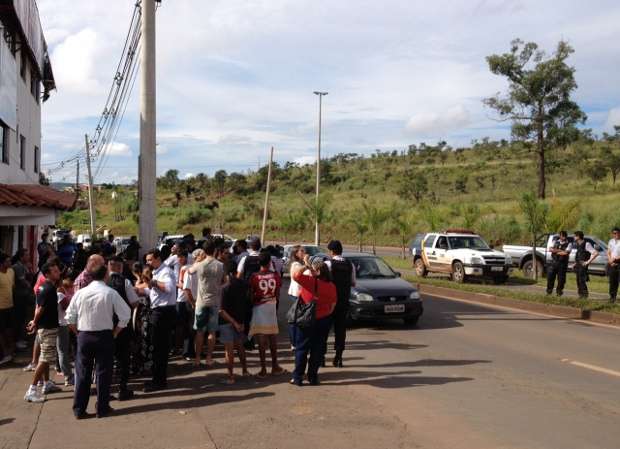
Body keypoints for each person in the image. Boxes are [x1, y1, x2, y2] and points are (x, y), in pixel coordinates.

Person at [65, 265, 131, 418]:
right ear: (106, 276)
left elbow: (69, 317)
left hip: (84, 335)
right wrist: (115, 332)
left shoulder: (81, 293)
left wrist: (78, 333)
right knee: (103, 373)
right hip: (104, 336)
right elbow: (125, 314)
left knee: (82, 374)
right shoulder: (110, 292)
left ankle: (79, 410)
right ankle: (102, 408)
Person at [291, 255, 337, 386]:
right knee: (317, 350)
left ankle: (298, 377)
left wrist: (306, 264)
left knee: (302, 348)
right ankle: (313, 377)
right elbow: (333, 306)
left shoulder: (310, 282)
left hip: (307, 320)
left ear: (316, 271)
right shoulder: (331, 286)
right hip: (323, 320)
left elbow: (295, 275)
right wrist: (324, 314)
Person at [136, 249, 176, 392]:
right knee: (157, 347)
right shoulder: (158, 271)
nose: (148, 262)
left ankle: (159, 381)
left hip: (163, 313)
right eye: (147, 260)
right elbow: (154, 291)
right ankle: (157, 378)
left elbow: (169, 288)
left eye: (150, 260)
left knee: (160, 348)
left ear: (158, 258)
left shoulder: (165, 272)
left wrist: (152, 282)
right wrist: (141, 291)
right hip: (158, 311)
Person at [24, 262, 62, 403]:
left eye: (57, 270)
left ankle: (47, 383)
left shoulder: (42, 287)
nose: (58, 272)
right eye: (55, 271)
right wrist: (34, 322)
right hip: (48, 328)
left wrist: (35, 322)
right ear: (47, 274)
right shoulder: (49, 289)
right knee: (45, 358)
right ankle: (32, 390)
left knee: (46, 356)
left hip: (44, 327)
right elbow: (40, 309)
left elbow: (38, 306)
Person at [107, 256, 140, 400]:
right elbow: (134, 303)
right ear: (120, 267)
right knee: (124, 357)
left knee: (106, 359)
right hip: (122, 325)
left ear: (109, 266)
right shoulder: (125, 282)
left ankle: (106, 391)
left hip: (104, 326)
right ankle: (122, 388)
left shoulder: (102, 282)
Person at [248, 251, 285, 378]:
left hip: (259, 307)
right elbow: (278, 293)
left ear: (259, 262)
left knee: (261, 338)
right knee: (273, 336)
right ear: (270, 262)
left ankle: (263, 369)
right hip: (272, 306)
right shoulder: (275, 275)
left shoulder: (254, 276)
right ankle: (275, 366)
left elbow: (251, 294)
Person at [191, 240, 224, 368]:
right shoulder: (220, 265)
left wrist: (198, 260)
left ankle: (198, 358)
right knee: (212, 332)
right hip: (214, 301)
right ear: (215, 250)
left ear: (203, 251)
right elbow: (221, 279)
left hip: (201, 302)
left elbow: (190, 271)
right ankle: (209, 358)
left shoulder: (199, 264)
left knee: (200, 332)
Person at [219, 261, 251, 383]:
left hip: (227, 321)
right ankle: (245, 370)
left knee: (229, 350)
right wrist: (240, 322)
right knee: (240, 346)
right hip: (240, 320)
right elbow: (248, 301)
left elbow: (221, 310)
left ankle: (231, 376)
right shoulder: (243, 284)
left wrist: (233, 322)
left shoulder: (224, 288)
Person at [326, 240, 355, 367]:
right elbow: (353, 283)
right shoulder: (350, 264)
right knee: (340, 330)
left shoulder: (328, 264)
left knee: (325, 329)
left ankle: (321, 357)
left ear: (331, 252)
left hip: (329, 302)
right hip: (343, 301)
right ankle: (339, 357)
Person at [12, 248, 34, 351]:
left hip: (25, 295)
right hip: (19, 296)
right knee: (19, 318)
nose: (28, 257)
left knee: (24, 317)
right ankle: (17, 340)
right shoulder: (17, 267)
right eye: (26, 255)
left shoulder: (25, 266)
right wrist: (31, 287)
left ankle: (21, 338)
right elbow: (23, 282)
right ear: (21, 257)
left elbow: (30, 277)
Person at [56, 274, 74, 386]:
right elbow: (67, 307)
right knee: (63, 351)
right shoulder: (60, 295)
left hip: (54, 324)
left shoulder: (49, 293)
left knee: (59, 351)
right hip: (62, 324)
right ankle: (68, 376)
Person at [287, 245, 306, 351]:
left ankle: (295, 341)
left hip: (298, 294)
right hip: (295, 294)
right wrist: (308, 263)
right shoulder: (295, 264)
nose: (304, 253)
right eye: (302, 251)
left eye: (304, 251)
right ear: (296, 253)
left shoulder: (300, 264)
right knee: (294, 320)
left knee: (297, 320)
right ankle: (294, 342)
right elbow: (298, 272)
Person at [573, 231, 599, 299]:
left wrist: (588, 262)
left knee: (582, 280)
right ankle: (580, 295)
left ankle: (584, 296)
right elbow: (579, 255)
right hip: (578, 265)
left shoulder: (586, 244)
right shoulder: (578, 244)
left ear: (578, 236)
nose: (574, 237)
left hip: (583, 266)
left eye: (575, 236)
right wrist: (575, 263)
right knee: (578, 280)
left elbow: (595, 253)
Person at [174, 251, 191, 356]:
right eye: (178, 258)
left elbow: (181, 285)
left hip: (183, 299)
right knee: (184, 326)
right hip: (185, 299)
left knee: (181, 326)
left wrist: (175, 283)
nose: (179, 260)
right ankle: (182, 348)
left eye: (181, 257)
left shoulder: (184, 268)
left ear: (185, 257)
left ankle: (179, 348)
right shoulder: (185, 267)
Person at [0, 253, 15, 365]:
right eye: (8, 261)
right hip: (0, 308)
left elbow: (12, 287)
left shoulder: (11, 272)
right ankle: (4, 353)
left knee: (9, 330)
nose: (10, 263)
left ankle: (10, 352)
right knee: (1, 331)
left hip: (10, 306)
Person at [546, 231, 572, 297]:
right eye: (562, 235)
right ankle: (549, 292)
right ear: (560, 236)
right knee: (550, 278)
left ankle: (559, 293)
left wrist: (556, 251)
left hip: (562, 264)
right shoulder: (555, 241)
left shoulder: (569, 244)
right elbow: (550, 249)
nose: (563, 237)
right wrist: (560, 251)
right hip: (554, 262)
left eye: (564, 236)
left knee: (561, 280)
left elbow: (566, 253)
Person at [607, 227, 620, 303]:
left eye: (617, 233)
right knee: (612, 281)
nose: (615, 235)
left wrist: (615, 260)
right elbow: (608, 252)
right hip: (612, 263)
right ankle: (612, 297)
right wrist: (610, 261)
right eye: (614, 233)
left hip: (619, 263)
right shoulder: (611, 241)